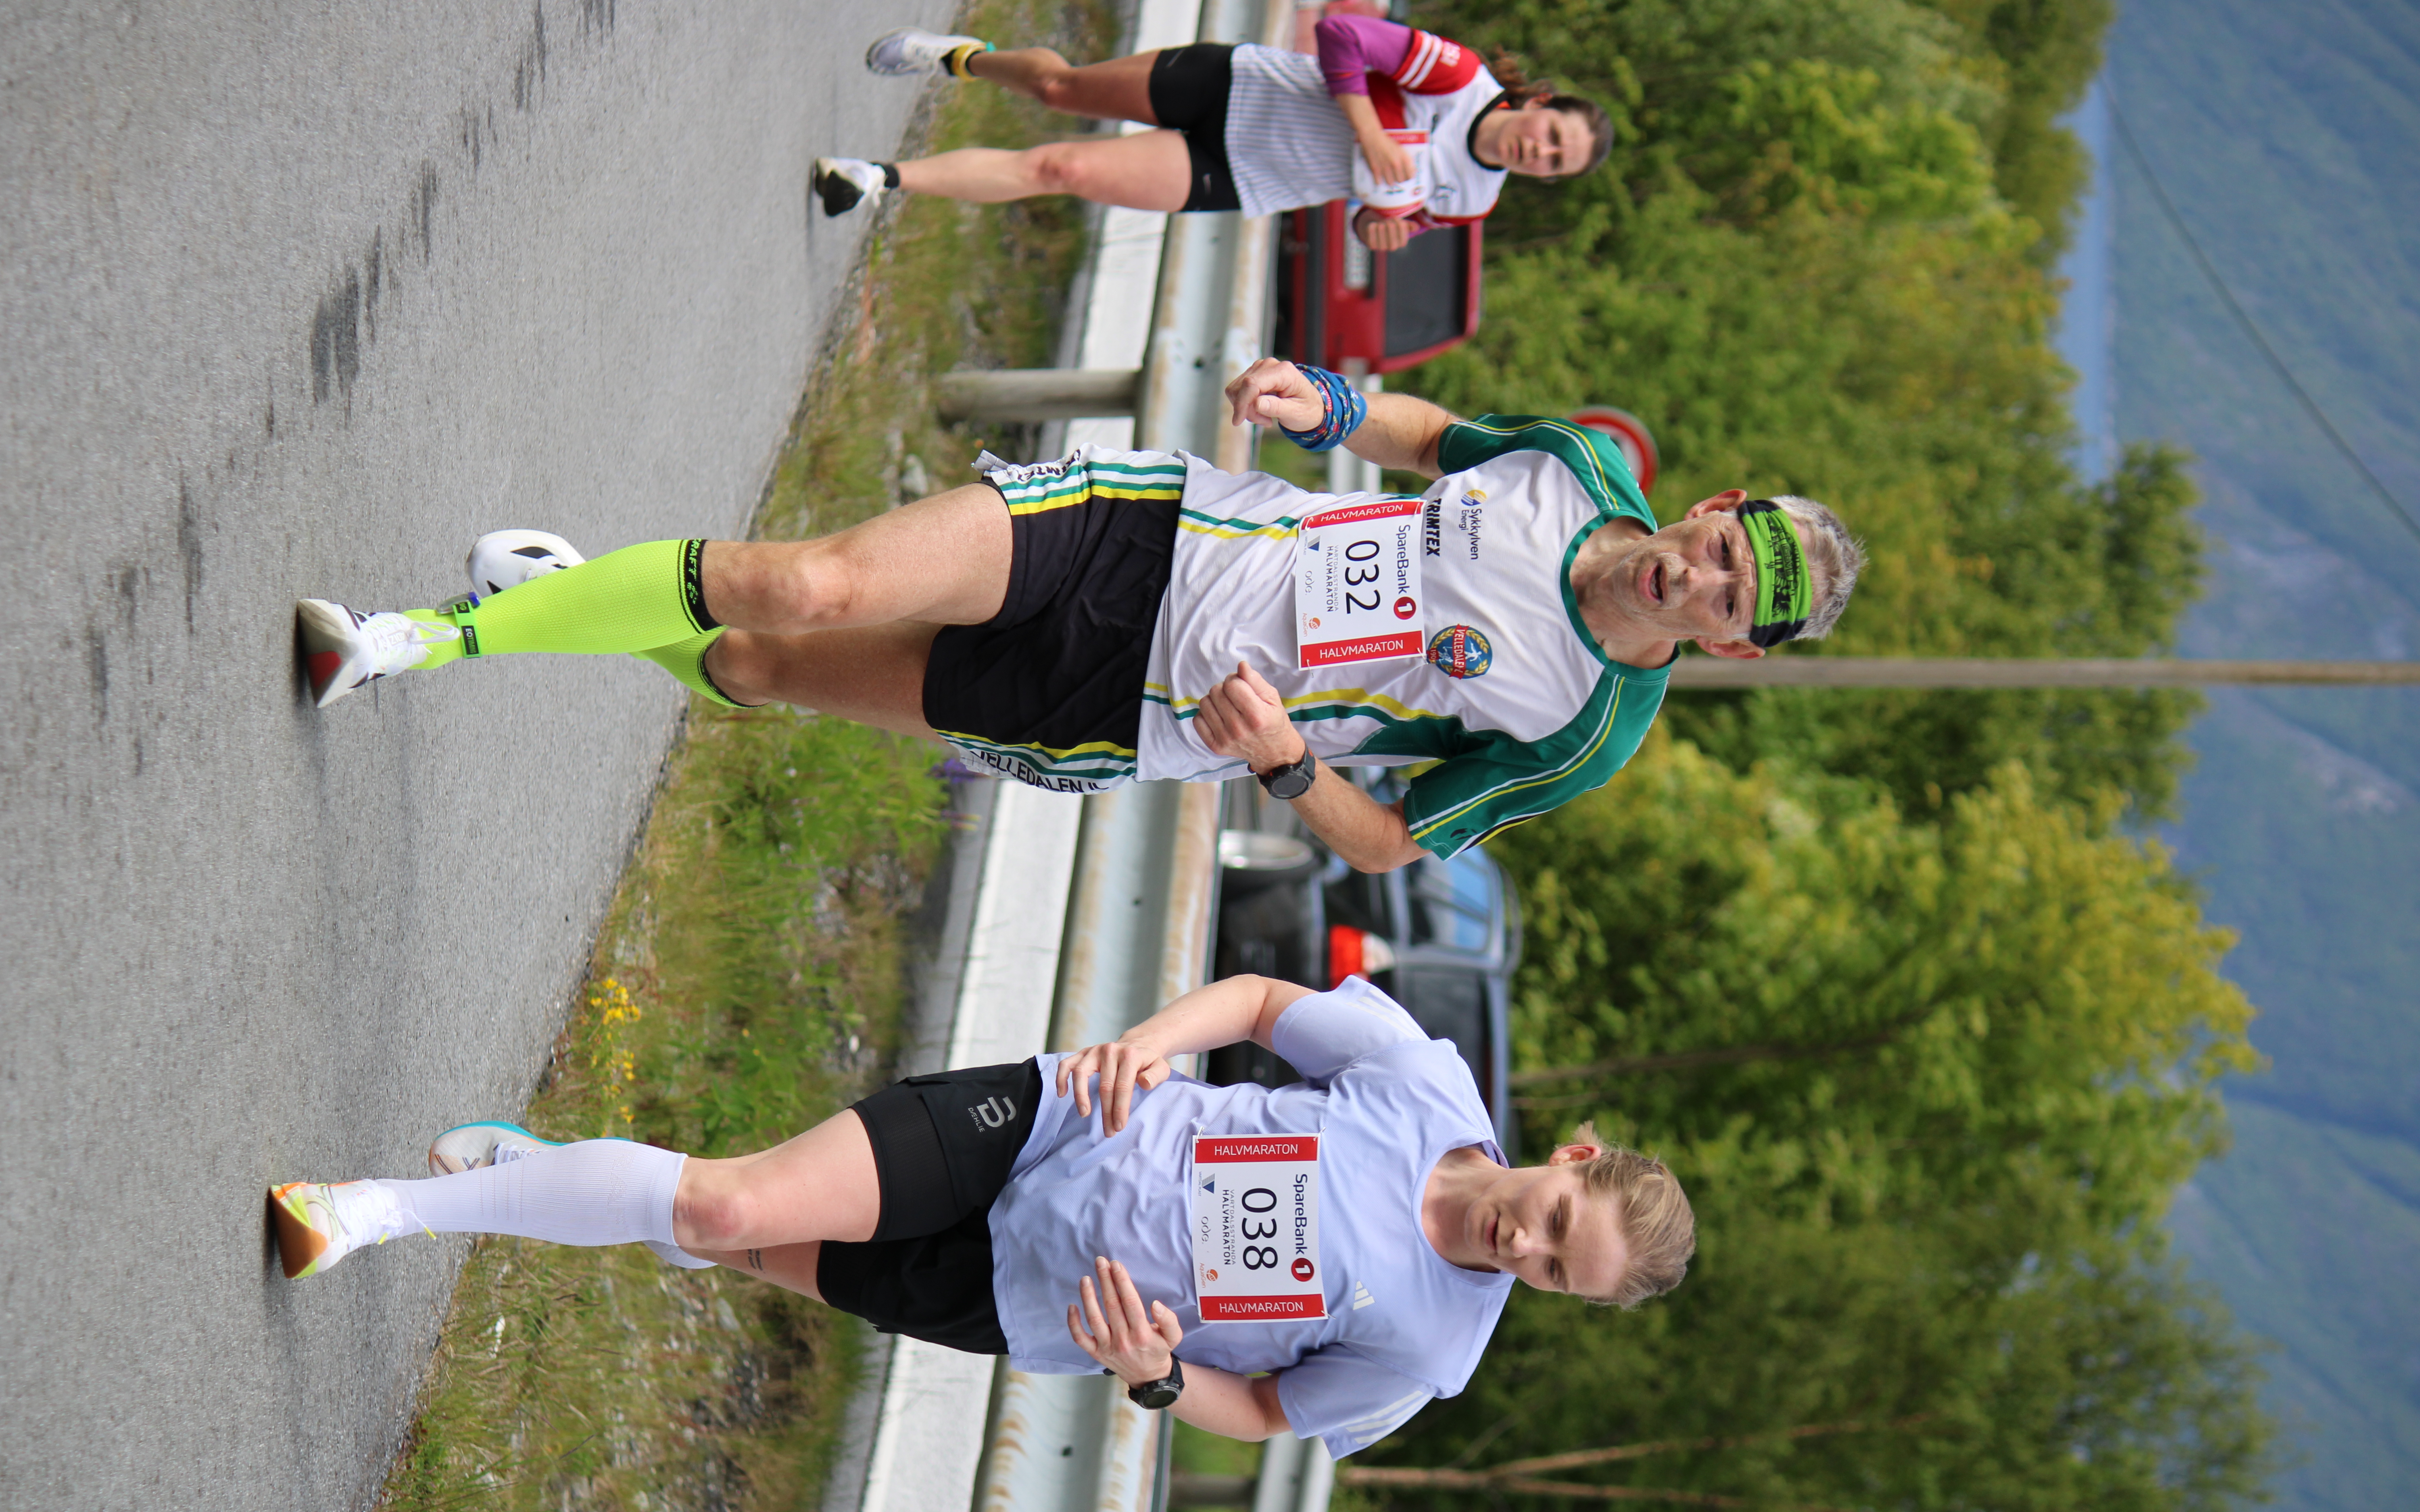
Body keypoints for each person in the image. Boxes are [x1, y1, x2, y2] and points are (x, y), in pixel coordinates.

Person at [296, 359, 1865, 871]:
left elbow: (1395, 845)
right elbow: (1433, 436)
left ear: (1733, 643)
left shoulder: (1586, 728)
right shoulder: (1576, 466)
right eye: (1725, 547)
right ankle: (421, 640)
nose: (1702, 577)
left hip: (1132, 710)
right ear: (1714, 504)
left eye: (1735, 603)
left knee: (760, 665)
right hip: (1145, 531)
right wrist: (1325, 402)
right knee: (810, 583)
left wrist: (1283, 766)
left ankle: (578, 598)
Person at [269, 973, 1696, 1454]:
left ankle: (551, 1171)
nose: (1525, 1248)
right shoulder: (1425, 1085)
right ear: (1572, 1155)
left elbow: (1268, 1416)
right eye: (1555, 1219)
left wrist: (1157, 1379)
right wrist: (1148, 1047)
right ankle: (378, 1211)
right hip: (1053, 1124)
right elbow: (1266, 1007)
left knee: (726, 1239)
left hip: (1027, 1303)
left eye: (1553, 1276)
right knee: (723, 1201)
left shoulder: (1434, 1354)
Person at [814, 18, 1613, 253]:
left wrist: (1379, 228)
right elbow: (1341, 37)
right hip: (1239, 85)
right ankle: (959, 58)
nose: (1538, 152)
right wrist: (1369, 130)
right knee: (1062, 90)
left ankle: (876, 177)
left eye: (1553, 164)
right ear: (1539, 102)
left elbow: (1384, 216)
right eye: (1551, 135)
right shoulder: (1459, 79)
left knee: (1061, 167)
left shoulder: (1473, 201)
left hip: (1244, 173)